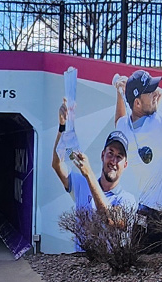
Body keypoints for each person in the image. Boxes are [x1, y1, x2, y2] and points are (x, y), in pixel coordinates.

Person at [52, 98, 137, 250]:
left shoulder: (128, 200)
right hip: (80, 266)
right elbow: (57, 164)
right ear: (102, 155)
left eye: (119, 157)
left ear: (125, 164)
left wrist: (89, 174)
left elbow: (110, 219)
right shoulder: (81, 184)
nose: (113, 161)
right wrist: (63, 126)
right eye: (110, 153)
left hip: (110, 270)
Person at [112, 70, 162, 254]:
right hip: (159, 217)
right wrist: (124, 90)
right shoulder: (159, 124)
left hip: (143, 213)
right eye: (150, 91)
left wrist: (119, 91)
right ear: (137, 103)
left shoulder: (125, 129)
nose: (155, 93)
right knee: (158, 274)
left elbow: (119, 120)